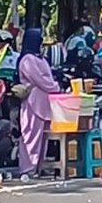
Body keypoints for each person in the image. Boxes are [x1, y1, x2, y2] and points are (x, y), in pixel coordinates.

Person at [14, 28, 61, 178]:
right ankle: (28, 168)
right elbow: (39, 79)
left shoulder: (39, 58)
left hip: (45, 102)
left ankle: (39, 166)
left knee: (44, 136)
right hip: (33, 102)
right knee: (31, 135)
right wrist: (55, 86)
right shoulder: (27, 60)